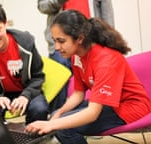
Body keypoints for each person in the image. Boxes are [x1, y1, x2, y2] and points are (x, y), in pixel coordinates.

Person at [25, 10, 151, 144]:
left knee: (64, 128)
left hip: (130, 107)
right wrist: (59, 113)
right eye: (55, 41)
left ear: (80, 38)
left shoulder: (106, 61)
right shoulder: (77, 56)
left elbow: (92, 113)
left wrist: (53, 125)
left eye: (61, 41)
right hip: (108, 104)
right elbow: (78, 94)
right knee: (57, 116)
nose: (56, 47)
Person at [0, 1, 49, 125]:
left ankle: (31, 137)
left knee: (39, 109)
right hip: (0, 94)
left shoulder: (26, 42)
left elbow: (38, 77)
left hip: (27, 90)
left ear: (5, 23)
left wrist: (25, 96)